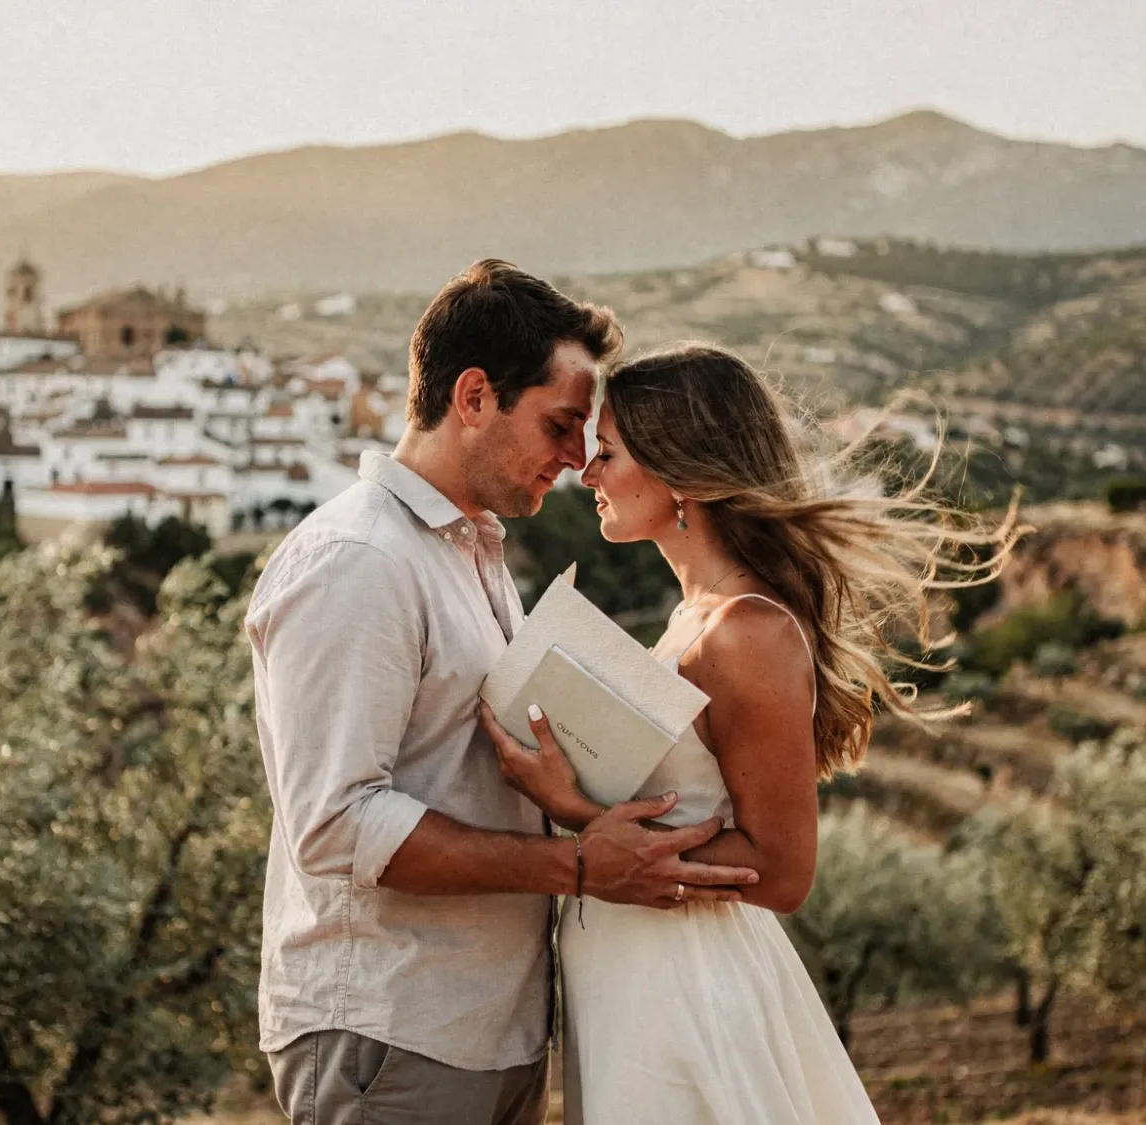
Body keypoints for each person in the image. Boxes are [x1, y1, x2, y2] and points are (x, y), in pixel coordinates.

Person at [246, 263, 761, 1125]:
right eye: (561, 425)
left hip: (494, 1031)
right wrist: (581, 867)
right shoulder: (358, 562)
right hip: (394, 1034)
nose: (576, 459)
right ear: (475, 396)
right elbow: (337, 824)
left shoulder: (470, 551)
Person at [480, 343, 1019, 1124]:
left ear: (684, 476)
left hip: (685, 987)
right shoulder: (695, 615)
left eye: (609, 454)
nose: (586, 474)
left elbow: (783, 870)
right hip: (634, 974)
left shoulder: (746, 631)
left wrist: (579, 812)